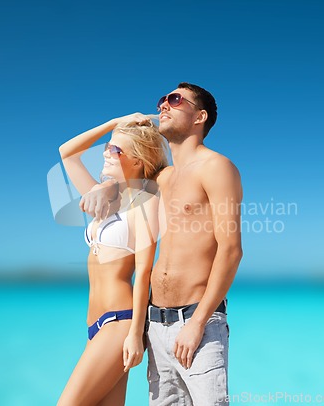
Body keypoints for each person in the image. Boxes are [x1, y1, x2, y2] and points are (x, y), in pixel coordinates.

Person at [84, 83, 243, 405]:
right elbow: (129, 169)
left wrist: (197, 323)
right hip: (154, 325)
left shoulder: (216, 167)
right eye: (162, 100)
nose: (164, 106)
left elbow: (231, 250)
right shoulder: (163, 178)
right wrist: (109, 185)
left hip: (197, 321)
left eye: (174, 100)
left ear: (200, 117)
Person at [56, 113, 168, 406]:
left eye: (116, 150)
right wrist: (113, 124)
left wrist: (135, 334)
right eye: (108, 146)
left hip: (120, 322)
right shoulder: (102, 196)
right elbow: (67, 154)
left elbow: (144, 271)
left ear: (138, 161)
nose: (106, 152)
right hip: (95, 325)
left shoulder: (148, 201)